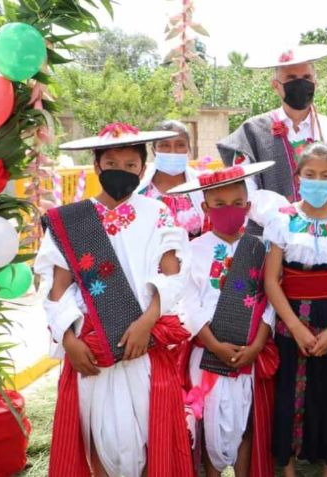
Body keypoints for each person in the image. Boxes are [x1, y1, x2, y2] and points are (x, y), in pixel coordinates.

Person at [35, 123, 193, 477]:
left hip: (144, 345)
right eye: (111, 164)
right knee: (98, 438)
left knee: (150, 435)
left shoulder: (158, 214)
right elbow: (55, 290)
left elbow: (173, 274)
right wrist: (69, 340)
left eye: (130, 165)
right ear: (96, 167)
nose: (121, 171)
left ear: (143, 167)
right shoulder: (71, 220)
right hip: (91, 349)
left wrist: (147, 321)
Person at [263, 143, 327, 477]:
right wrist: (293, 326)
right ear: (298, 177)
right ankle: (288, 465)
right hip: (291, 317)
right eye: (310, 175)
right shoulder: (283, 220)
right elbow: (271, 279)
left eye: (325, 176)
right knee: (288, 390)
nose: (318, 181)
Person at [171, 161, 280, 477]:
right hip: (207, 352)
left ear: (248, 206)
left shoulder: (260, 248)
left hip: (250, 352)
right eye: (219, 205)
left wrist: (258, 343)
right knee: (207, 422)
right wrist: (214, 345)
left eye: (236, 204)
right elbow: (188, 302)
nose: (228, 210)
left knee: (246, 422)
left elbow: (270, 300)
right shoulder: (192, 250)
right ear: (205, 207)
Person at [217, 44, 327, 236]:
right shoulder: (251, 132)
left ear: (316, 83)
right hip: (268, 237)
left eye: (307, 78)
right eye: (291, 79)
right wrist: (287, 220)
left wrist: (320, 222)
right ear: (276, 85)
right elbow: (244, 191)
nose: (300, 84)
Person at [137, 120, 206, 238]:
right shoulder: (139, 188)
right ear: (154, 150)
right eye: (164, 145)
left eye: (180, 145)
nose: (172, 151)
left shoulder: (202, 186)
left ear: (188, 149)